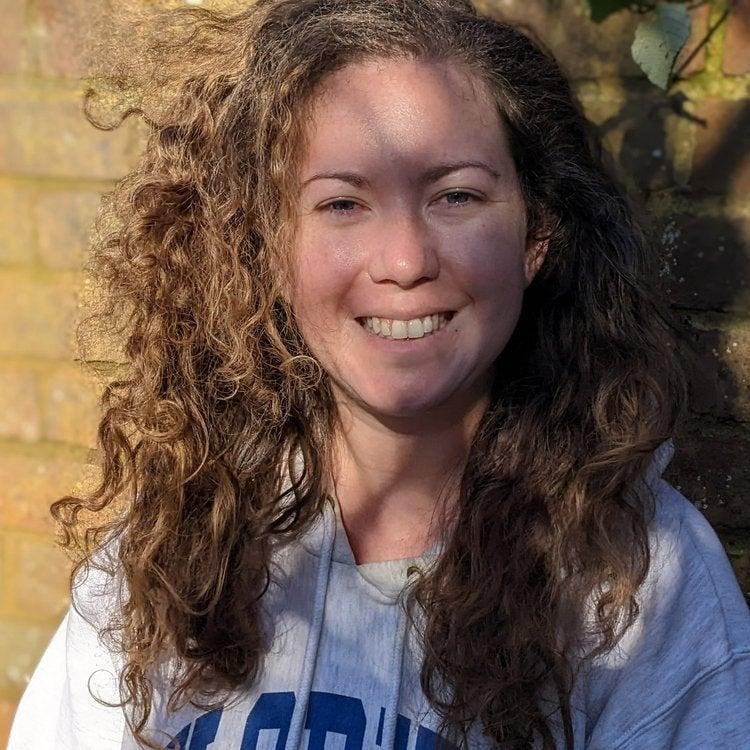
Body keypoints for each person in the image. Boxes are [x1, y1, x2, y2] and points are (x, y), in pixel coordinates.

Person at [8, 0, 750, 748]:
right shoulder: (175, 549)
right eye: (342, 203)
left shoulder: (638, 585)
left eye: (455, 195)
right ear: (266, 249)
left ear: (536, 235)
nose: (403, 261)